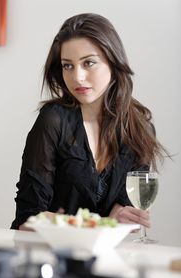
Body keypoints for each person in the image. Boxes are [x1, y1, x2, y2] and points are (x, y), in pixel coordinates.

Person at [11, 13, 167, 231]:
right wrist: (103, 223)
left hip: (103, 257)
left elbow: (120, 216)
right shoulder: (53, 120)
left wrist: (123, 217)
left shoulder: (139, 129)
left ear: (113, 62)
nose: (78, 77)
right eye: (68, 66)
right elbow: (28, 217)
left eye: (89, 63)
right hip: (46, 254)